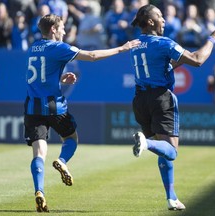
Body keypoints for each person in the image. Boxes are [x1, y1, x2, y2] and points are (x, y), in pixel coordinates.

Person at [24, 14, 140, 212]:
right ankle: (62, 160)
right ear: (53, 29)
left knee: (39, 152)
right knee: (71, 137)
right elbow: (92, 56)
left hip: (32, 107)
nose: (64, 31)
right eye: (62, 28)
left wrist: (59, 79)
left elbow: (39, 76)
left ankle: (39, 190)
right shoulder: (58, 47)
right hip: (54, 106)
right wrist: (123, 48)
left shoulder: (33, 47)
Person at [129, 4, 215, 211]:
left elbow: (161, 65)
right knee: (171, 151)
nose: (164, 20)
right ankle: (145, 143)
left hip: (140, 100)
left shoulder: (136, 44)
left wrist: (178, 61)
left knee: (163, 150)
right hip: (161, 98)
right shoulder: (164, 43)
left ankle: (171, 198)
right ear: (150, 21)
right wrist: (212, 39)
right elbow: (198, 60)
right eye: (160, 16)